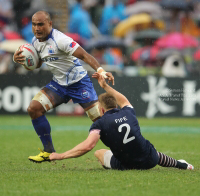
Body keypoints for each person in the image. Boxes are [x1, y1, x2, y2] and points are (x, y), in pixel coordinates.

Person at [13, 11, 114, 163]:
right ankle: (48, 151)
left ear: (50, 24)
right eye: (34, 24)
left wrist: (100, 70)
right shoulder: (35, 41)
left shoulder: (61, 40)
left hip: (80, 83)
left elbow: (85, 55)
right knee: (33, 108)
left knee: (100, 121)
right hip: (59, 85)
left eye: (40, 24)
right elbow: (37, 63)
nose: (36, 28)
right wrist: (20, 60)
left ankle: (120, 150)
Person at [49, 72, 194, 171]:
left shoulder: (99, 123)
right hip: (150, 161)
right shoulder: (128, 111)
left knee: (99, 153)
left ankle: (114, 162)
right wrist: (105, 86)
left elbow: (88, 146)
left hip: (127, 164)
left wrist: (60, 155)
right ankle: (181, 165)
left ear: (101, 109)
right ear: (116, 105)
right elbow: (123, 99)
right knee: (148, 150)